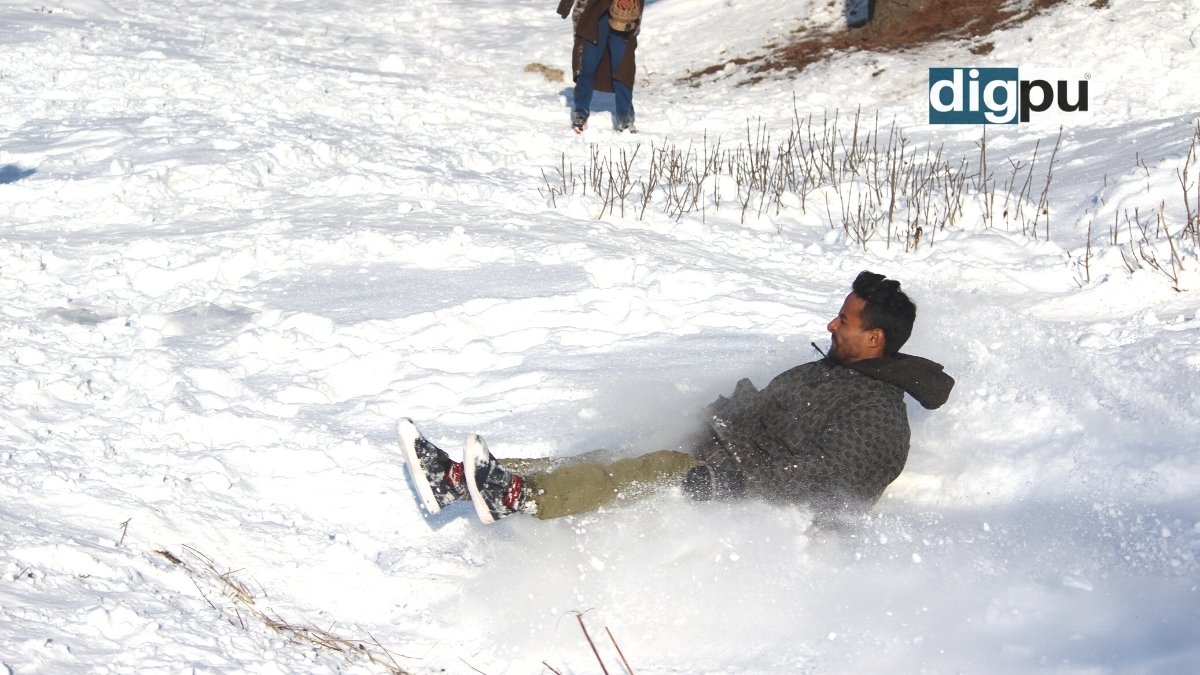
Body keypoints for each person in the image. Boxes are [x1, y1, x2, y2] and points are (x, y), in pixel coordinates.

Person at [399, 271, 955, 525]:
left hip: (753, 500)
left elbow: (833, 482)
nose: (831, 323)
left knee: (659, 466)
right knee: (616, 457)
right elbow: (763, 411)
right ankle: (465, 480)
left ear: (875, 338)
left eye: (846, 319)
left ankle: (519, 498)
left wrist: (734, 481)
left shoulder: (878, 415)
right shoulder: (827, 372)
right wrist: (714, 414)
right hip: (721, 460)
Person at [556, 0, 644, 133]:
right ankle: (581, 112)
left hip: (623, 12)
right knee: (587, 63)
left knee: (623, 66)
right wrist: (565, 5)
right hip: (592, 12)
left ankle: (625, 116)